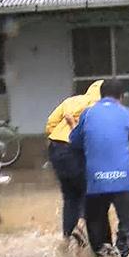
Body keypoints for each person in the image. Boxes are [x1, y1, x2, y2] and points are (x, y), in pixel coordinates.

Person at [69, 80, 129, 257]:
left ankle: (103, 256)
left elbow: (74, 142)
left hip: (95, 183)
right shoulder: (126, 113)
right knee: (128, 221)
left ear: (100, 95)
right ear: (121, 97)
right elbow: (126, 136)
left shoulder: (88, 113)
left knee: (96, 223)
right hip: (124, 182)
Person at [45, 80, 104, 246]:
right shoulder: (98, 107)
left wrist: (60, 137)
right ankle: (81, 226)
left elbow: (50, 123)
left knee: (70, 196)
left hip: (55, 148)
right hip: (75, 150)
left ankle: (67, 239)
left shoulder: (71, 101)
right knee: (90, 190)